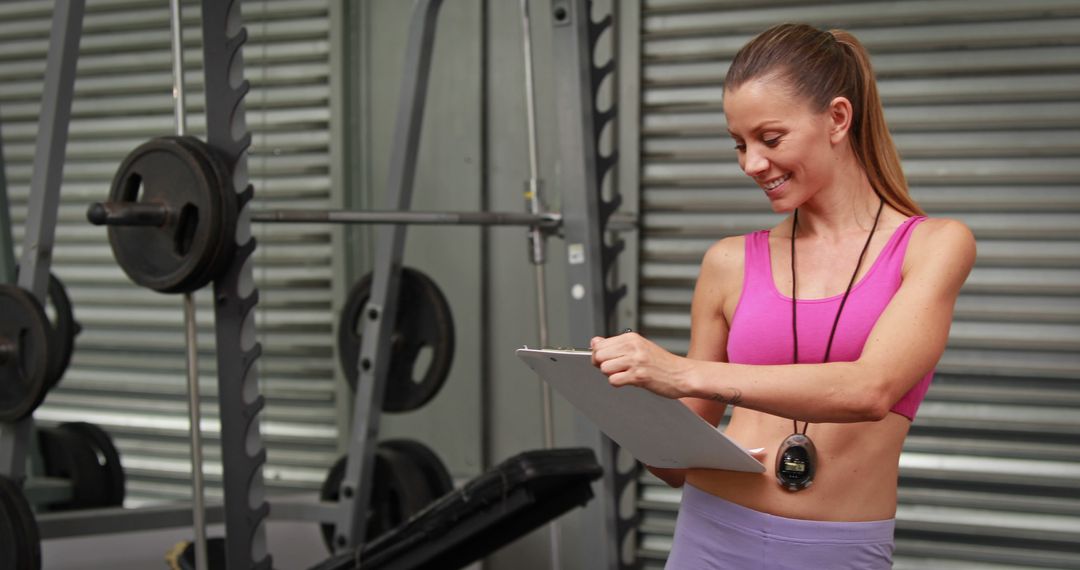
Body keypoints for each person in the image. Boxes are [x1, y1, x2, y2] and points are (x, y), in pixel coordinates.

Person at [590, 23, 976, 569]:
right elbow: (675, 464)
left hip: (836, 550)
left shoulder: (933, 246)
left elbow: (870, 390)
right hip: (710, 536)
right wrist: (625, 398)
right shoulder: (727, 262)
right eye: (740, 145)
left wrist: (678, 373)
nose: (751, 164)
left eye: (770, 139)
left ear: (838, 119)